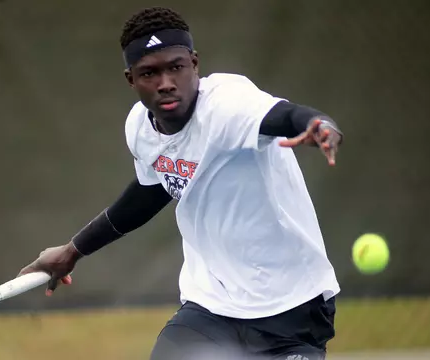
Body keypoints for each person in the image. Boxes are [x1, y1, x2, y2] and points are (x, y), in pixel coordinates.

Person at [18, 6, 343, 360]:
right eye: (149, 73)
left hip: (292, 307)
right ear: (131, 79)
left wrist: (318, 124)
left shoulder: (227, 105)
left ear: (195, 64)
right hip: (211, 306)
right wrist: (72, 251)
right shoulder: (140, 128)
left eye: (176, 67)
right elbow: (151, 191)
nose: (165, 83)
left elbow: (285, 116)